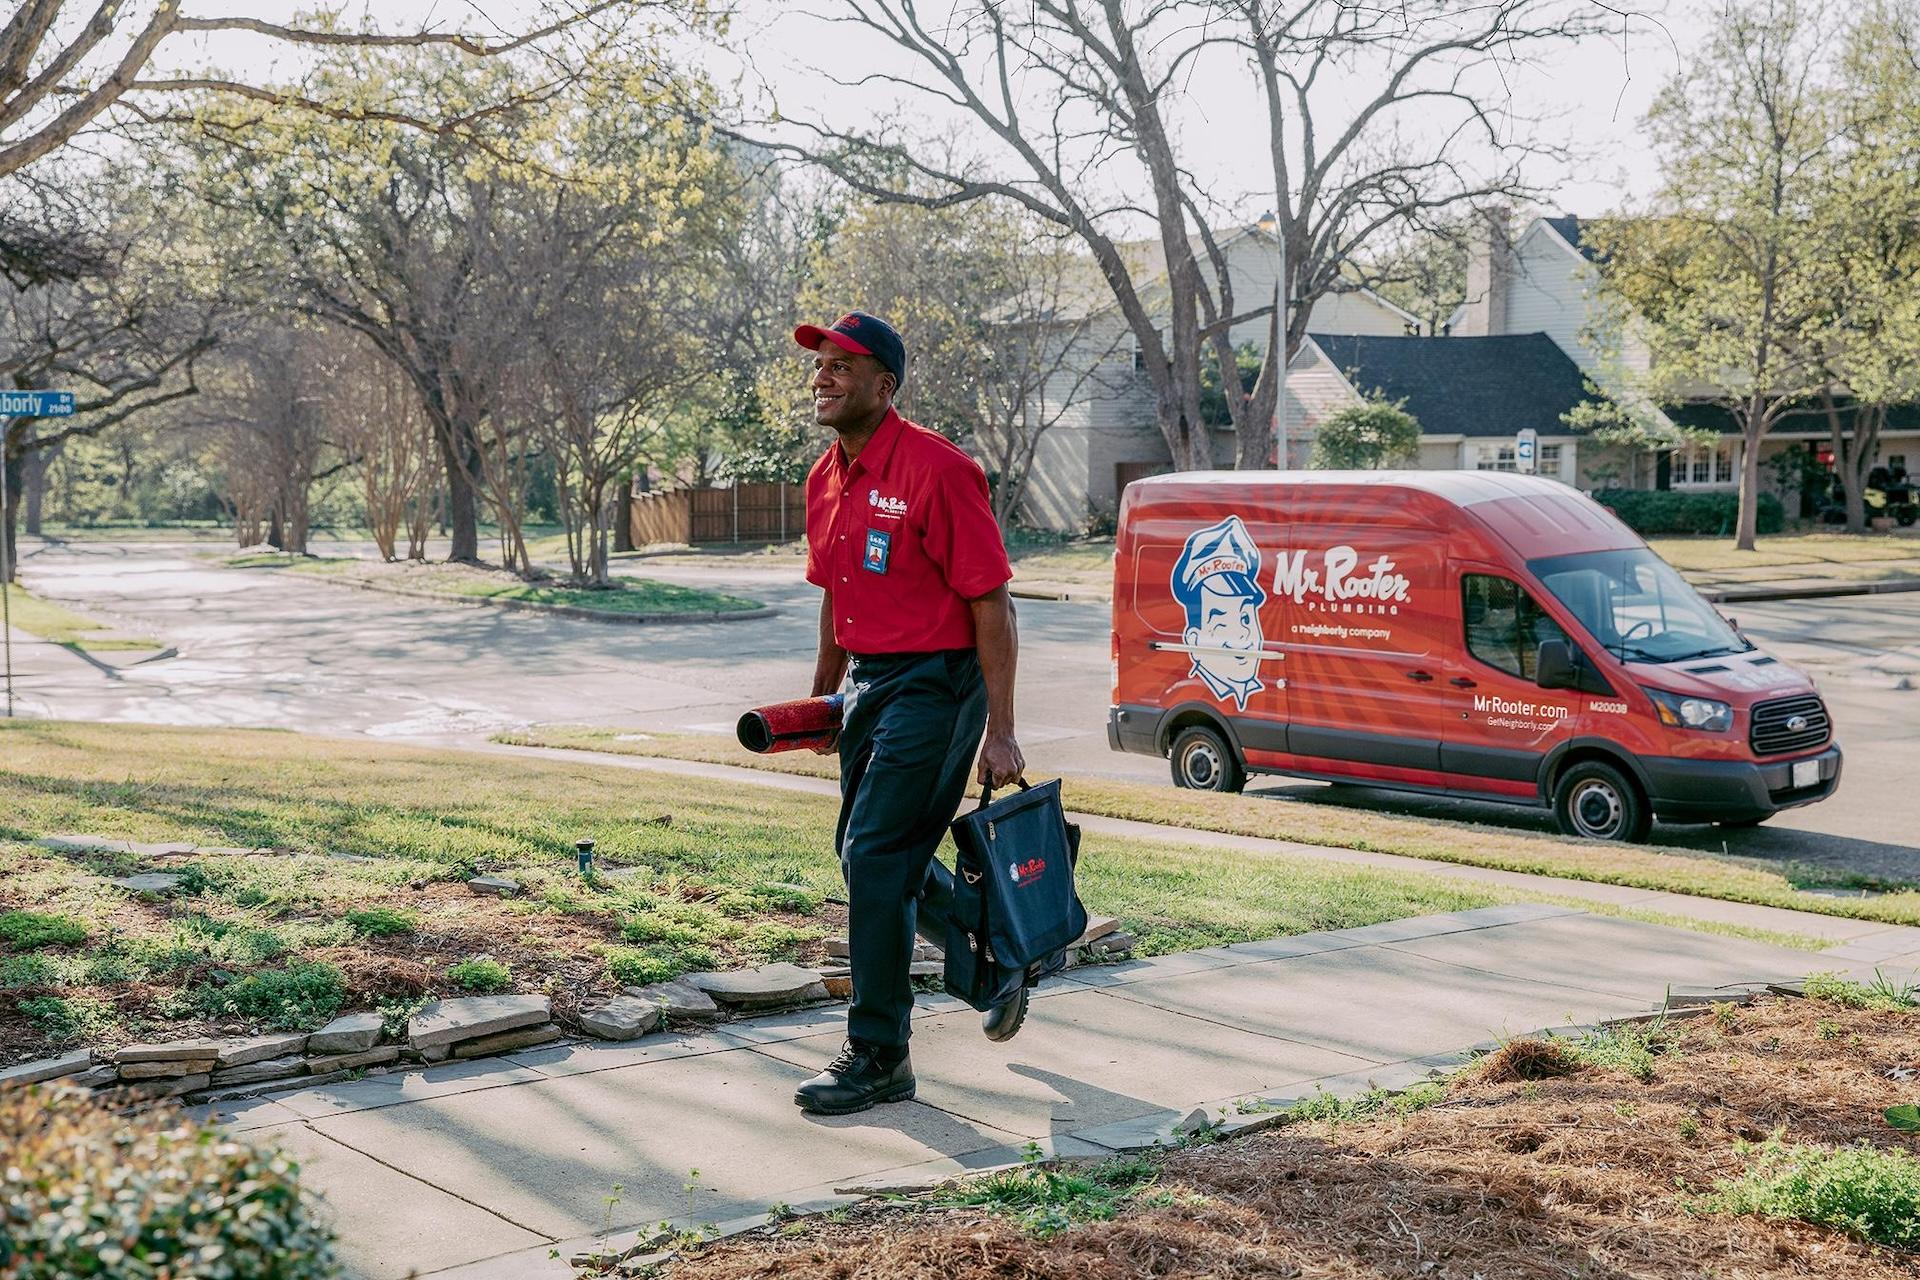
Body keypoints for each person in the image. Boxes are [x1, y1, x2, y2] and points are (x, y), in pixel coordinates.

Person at [790, 311, 1027, 1117]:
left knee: (877, 855)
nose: (823, 376)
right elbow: (833, 594)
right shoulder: (825, 478)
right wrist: (826, 697)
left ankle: (880, 1053)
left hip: (938, 684)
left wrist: (1001, 727)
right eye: (819, 365)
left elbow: (992, 605)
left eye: (843, 366)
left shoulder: (939, 470)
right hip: (869, 685)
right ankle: (988, 957)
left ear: (885, 386)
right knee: (863, 861)